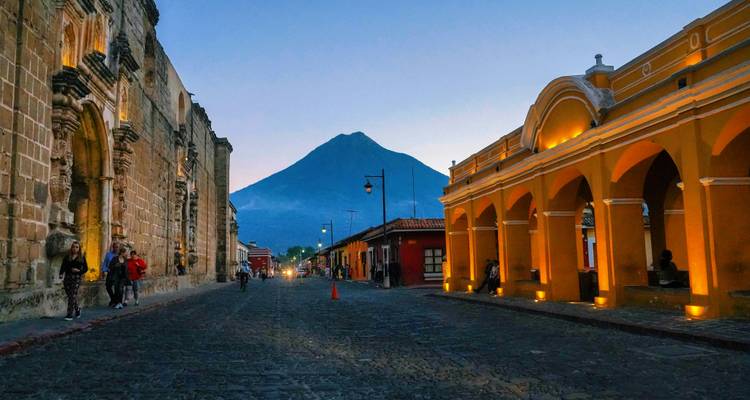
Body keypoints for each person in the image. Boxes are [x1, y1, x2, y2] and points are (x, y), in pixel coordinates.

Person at [59, 241, 88, 320]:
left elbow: (86, 268)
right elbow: (63, 266)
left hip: (76, 278)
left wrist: (79, 271)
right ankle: (77, 309)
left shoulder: (82, 257)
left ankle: (69, 314)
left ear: (79, 248)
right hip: (67, 278)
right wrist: (61, 273)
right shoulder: (67, 257)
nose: (75, 248)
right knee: (70, 296)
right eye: (73, 247)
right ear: (71, 248)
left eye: (77, 247)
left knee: (72, 295)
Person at [102, 242, 119, 307]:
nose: (116, 248)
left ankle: (113, 301)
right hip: (110, 272)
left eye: (117, 247)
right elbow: (105, 263)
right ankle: (113, 299)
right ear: (112, 247)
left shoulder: (120, 256)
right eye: (114, 247)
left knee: (116, 288)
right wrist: (103, 271)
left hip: (117, 274)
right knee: (108, 286)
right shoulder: (108, 254)